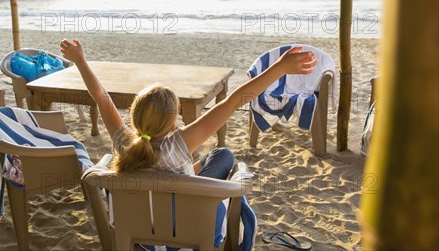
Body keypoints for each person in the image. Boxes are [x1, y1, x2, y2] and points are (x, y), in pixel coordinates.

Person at [60, 39, 317, 180]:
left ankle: (188, 171)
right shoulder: (180, 144)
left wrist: (80, 60)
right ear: (173, 124)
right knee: (224, 155)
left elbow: (100, 97)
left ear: (135, 118)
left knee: (202, 160)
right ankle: (188, 173)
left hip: (141, 225)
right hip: (180, 227)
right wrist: (280, 68)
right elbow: (233, 101)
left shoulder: (123, 142)